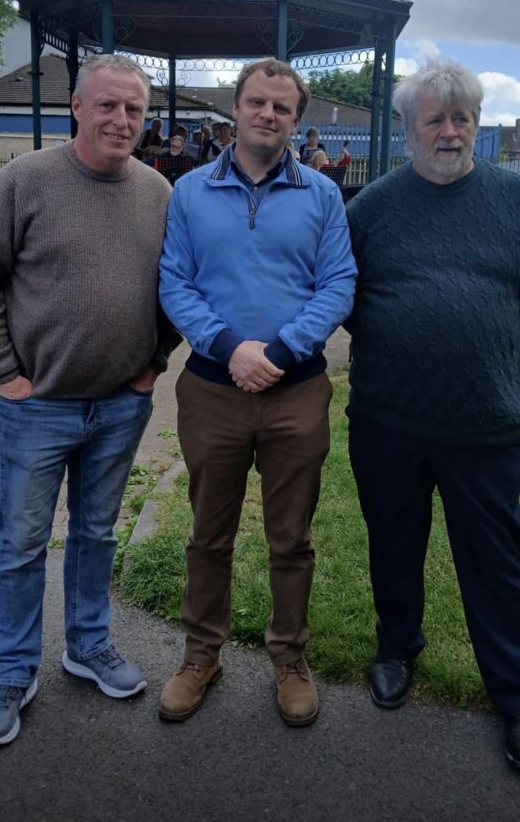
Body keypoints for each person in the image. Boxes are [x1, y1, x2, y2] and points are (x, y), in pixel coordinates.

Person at [0, 55, 178, 748]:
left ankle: (87, 645)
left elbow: (178, 282)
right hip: (36, 405)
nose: (121, 121)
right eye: (108, 106)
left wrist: (154, 362)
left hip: (120, 405)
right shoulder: (25, 181)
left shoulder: (158, 192)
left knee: (96, 534)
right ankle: (13, 671)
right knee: (22, 542)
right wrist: (4, 372)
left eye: (134, 110)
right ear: (77, 106)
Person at [345, 61, 520, 773]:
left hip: (482, 420)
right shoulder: (371, 207)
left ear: (477, 125)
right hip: (388, 416)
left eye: (462, 117)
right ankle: (397, 648)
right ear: (407, 131)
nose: (450, 130)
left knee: (496, 564)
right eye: (434, 118)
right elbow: (343, 296)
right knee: (394, 544)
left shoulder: (517, 199)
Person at [158, 58, 357, 727]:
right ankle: (200, 654)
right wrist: (226, 347)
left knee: (290, 538)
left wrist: (278, 350)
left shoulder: (323, 196)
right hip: (212, 388)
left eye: (281, 107)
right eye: (256, 103)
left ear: (296, 121)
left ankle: (289, 657)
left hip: (296, 390)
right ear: (235, 111)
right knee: (207, 534)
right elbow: (174, 282)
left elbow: (338, 283)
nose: (267, 115)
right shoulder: (188, 193)